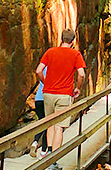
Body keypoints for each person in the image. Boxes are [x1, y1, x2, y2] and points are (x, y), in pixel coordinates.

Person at [35, 29, 86, 160]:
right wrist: (78, 88)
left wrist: (45, 83)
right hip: (64, 94)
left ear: (61, 38)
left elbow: (38, 70)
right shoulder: (75, 54)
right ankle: (54, 159)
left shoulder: (50, 52)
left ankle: (47, 153)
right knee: (59, 126)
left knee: (50, 123)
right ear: (73, 41)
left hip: (47, 93)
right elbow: (81, 74)